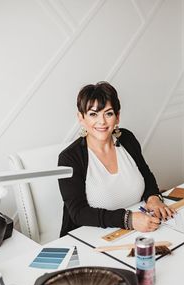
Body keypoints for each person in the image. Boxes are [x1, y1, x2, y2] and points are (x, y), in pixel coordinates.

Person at [58, 81, 174, 237]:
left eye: (108, 113)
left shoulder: (127, 139)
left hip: (137, 231)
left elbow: (146, 176)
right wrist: (128, 219)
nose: (102, 122)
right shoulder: (69, 158)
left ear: (117, 117)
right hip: (89, 238)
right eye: (93, 114)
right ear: (81, 118)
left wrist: (153, 198)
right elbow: (78, 213)